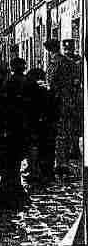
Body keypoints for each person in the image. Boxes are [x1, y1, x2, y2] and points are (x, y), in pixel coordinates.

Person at [0, 57, 33, 209]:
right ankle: (15, 188)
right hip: (24, 126)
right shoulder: (29, 82)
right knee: (17, 158)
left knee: (10, 160)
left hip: (12, 126)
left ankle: (10, 190)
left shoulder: (9, 83)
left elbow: (5, 106)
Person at [44, 39, 76, 175]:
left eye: (49, 52)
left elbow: (51, 84)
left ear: (51, 51)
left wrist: (45, 86)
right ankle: (64, 162)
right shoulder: (70, 62)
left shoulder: (55, 63)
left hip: (58, 102)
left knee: (59, 133)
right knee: (67, 132)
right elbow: (75, 82)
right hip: (68, 101)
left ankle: (61, 164)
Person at [26, 68, 57, 182]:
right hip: (47, 126)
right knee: (47, 150)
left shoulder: (31, 92)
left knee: (37, 150)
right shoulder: (48, 92)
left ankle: (37, 173)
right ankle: (47, 173)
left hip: (37, 126)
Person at [62, 39, 83, 160]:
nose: (67, 51)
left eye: (69, 49)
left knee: (75, 124)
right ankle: (69, 148)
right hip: (67, 96)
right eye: (65, 49)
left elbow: (77, 80)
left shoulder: (78, 61)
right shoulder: (63, 61)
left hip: (74, 96)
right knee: (67, 124)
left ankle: (74, 148)